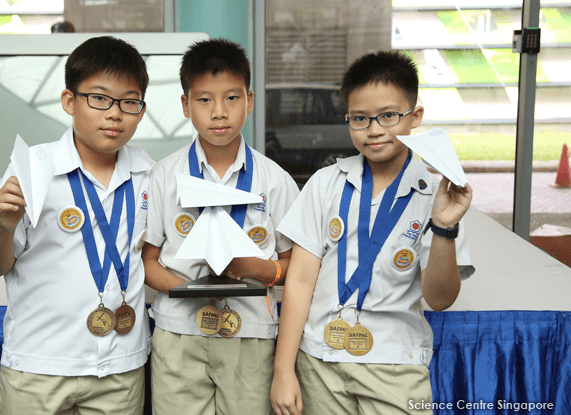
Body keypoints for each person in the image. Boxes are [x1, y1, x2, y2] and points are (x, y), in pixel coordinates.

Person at [270, 50, 475, 415]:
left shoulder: (438, 193)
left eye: (388, 116)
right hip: (319, 362)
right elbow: (300, 280)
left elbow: (440, 298)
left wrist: (445, 228)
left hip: (396, 365)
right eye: (359, 119)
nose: (374, 129)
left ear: (415, 116)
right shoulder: (325, 183)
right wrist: (283, 370)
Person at [0, 36, 153, 415]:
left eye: (129, 101)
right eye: (100, 98)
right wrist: (3, 227)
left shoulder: (150, 175)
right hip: (38, 366)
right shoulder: (33, 167)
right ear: (69, 101)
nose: (115, 113)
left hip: (120, 368)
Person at [142, 38, 300, 415]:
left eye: (231, 98)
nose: (219, 112)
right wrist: (186, 289)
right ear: (185, 105)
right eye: (204, 100)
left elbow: (297, 266)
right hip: (179, 331)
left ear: (249, 100)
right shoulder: (163, 176)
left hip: (251, 332)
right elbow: (146, 261)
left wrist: (257, 270)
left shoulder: (274, 180)